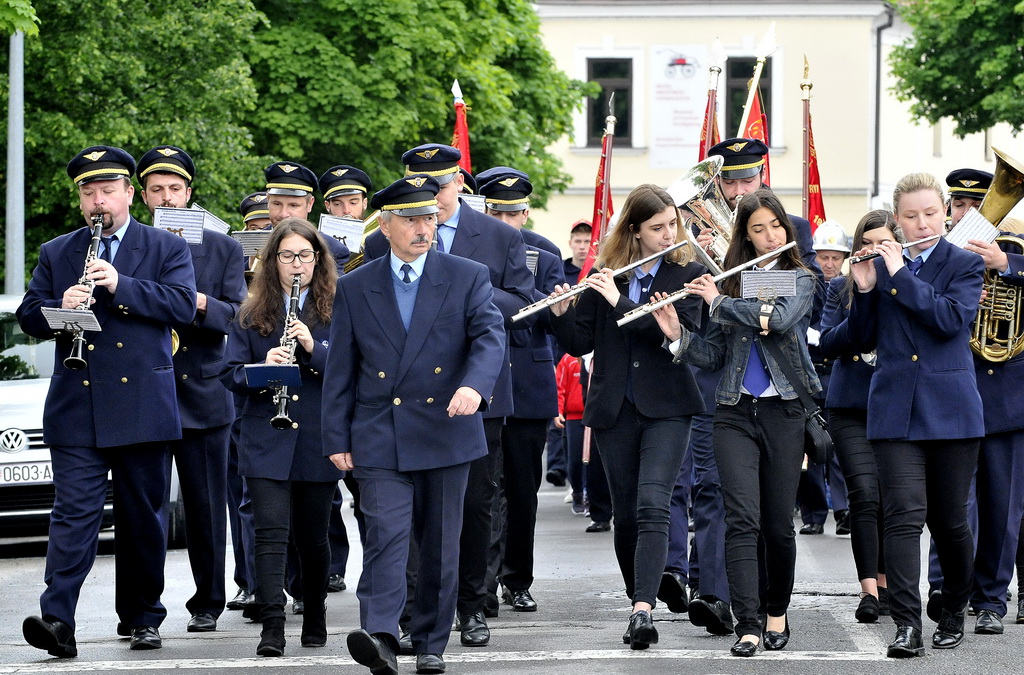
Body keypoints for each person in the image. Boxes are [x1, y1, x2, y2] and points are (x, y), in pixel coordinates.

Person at [18, 146, 197, 656]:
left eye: (107, 191)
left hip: (142, 404)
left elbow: (183, 306)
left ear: (128, 194)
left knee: (142, 517)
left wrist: (121, 285)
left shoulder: (165, 246)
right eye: (89, 193)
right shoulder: (58, 251)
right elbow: (29, 314)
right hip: (78, 405)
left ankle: (142, 616)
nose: (98, 201)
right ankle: (58, 621)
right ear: (80, 200)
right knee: (73, 515)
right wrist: (59, 305)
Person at [323, 175, 505, 675]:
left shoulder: (466, 275)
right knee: (385, 535)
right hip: (380, 432)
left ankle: (429, 642)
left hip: (446, 428)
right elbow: (341, 367)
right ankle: (381, 636)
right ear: (385, 226)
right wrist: (336, 436)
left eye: (429, 217)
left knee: (441, 545)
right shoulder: (356, 285)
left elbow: (490, 337)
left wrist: (475, 385)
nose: (423, 228)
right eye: (410, 220)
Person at [361, 143, 533, 648]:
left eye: (441, 185)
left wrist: (454, 283)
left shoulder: (499, 236)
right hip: (405, 398)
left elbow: (524, 308)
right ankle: (414, 612)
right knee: (412, 513)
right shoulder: (379, 240)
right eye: (423, 186)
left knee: (476, 504)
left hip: (472, 393)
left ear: (460, 181)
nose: (433, 197)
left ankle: (472, 605)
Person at [657, 188, 820, 657]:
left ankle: (776, 612)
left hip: (785, 412)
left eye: (776, 227)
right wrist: (678, 336)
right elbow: (714, 356)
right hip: (733, 412)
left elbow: (779, 320)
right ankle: (747, 624)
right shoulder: (729, 282)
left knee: (778, 524)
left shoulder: (800, 278)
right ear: (746, 238)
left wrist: (718, 301)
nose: (771, 237)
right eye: (758, 230)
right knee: (741, 520)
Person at [548, 183, 706, 649]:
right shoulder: (606, 275)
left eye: (672, 225)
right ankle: (638, 594)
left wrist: (618, 300)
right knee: (627, 514)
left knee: (654, 502)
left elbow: (669, 335)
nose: (668, 234)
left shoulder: (688, 274)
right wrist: (560, 313)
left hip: (668, 407)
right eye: (657, 227)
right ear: (634, 230)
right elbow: (579, 342)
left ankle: (642, 610)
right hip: (614, 409)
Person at [847, 173, 985, 657]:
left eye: (930, 213)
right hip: (895, 411)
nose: (921, 223)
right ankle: (907, 624)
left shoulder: (965, 263)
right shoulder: (882, 265)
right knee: (902, 517)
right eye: (910, 216)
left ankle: (954, 607)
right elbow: (860, 339)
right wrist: (866, 290)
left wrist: (899, 277)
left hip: (951, 412)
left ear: (944, 212)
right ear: (897, 219)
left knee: (950, 522)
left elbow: (949, 320)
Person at [136, 145, 247, 633]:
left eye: (175, 189)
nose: (167, 197)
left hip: (202, 392)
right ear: (143, 196)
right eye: (157, 189)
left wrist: (196, 302)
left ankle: (208, 601)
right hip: (144, 392)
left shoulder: (222, 247)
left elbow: (238, 316)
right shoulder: (130, 246)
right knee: (145, 511)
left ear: (189, 194)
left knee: (205, 509)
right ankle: (143, 610)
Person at [222, 217, 341, 656]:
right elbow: (229, 374)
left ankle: (315, 613)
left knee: (312, 537)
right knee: (269, 533)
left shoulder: (338, 309)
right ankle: (272, 625)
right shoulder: (251, 313)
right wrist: (262, 368)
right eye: (287, 255)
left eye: (305, 255)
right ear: (272, 261)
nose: (296, 264)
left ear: (318, 259)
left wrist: (313, 348)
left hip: (316, 434)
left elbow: (352, 370)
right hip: (264, 433)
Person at [478, 169, 565, 613]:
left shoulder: (544, 252)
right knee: (485, 489)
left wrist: (546, 304)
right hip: (486, 383)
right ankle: (482, 584)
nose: (506, 223)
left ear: (525, 213)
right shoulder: (472, 249)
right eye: (497, 213)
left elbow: (551, 319)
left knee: (522, 490)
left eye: (513, 214)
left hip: (528, 382)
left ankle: (517, 579)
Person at [819, 210, 897, 623]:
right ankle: (869, 590)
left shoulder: (907, 284)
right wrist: (863, 299)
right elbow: (827, 343)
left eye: (882, 244)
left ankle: (886, 583)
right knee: (864, 494)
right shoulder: (840, 287)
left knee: (891, 498)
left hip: (897, 406)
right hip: (849, 406)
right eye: (866, 244)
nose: (872, 251)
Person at [799, 220, 850, 537]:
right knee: (813, 448)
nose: (829, 264)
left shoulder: (849, 287)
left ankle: (844, 510)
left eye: (835, 257)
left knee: (841, 448)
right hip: (809, 376)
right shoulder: (806, 284)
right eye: (823, 257)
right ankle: (814, 514)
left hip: (836, 373)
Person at [264, 160, 350, 273]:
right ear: (268, 200)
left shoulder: (332, 249)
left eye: (293, 205)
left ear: (310, 204)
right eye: (277, 204)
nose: (284, 214)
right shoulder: (246, 244)